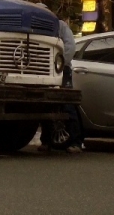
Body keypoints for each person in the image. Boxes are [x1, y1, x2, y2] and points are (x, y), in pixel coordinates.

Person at [39, 19, 84, 153]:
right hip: (46, 70)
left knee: (67, 104)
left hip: (61, 70)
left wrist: (59, 65)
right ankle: (46, 140)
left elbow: (70, 47)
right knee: (46, 104)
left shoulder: (60, 26)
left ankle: (76, 141)